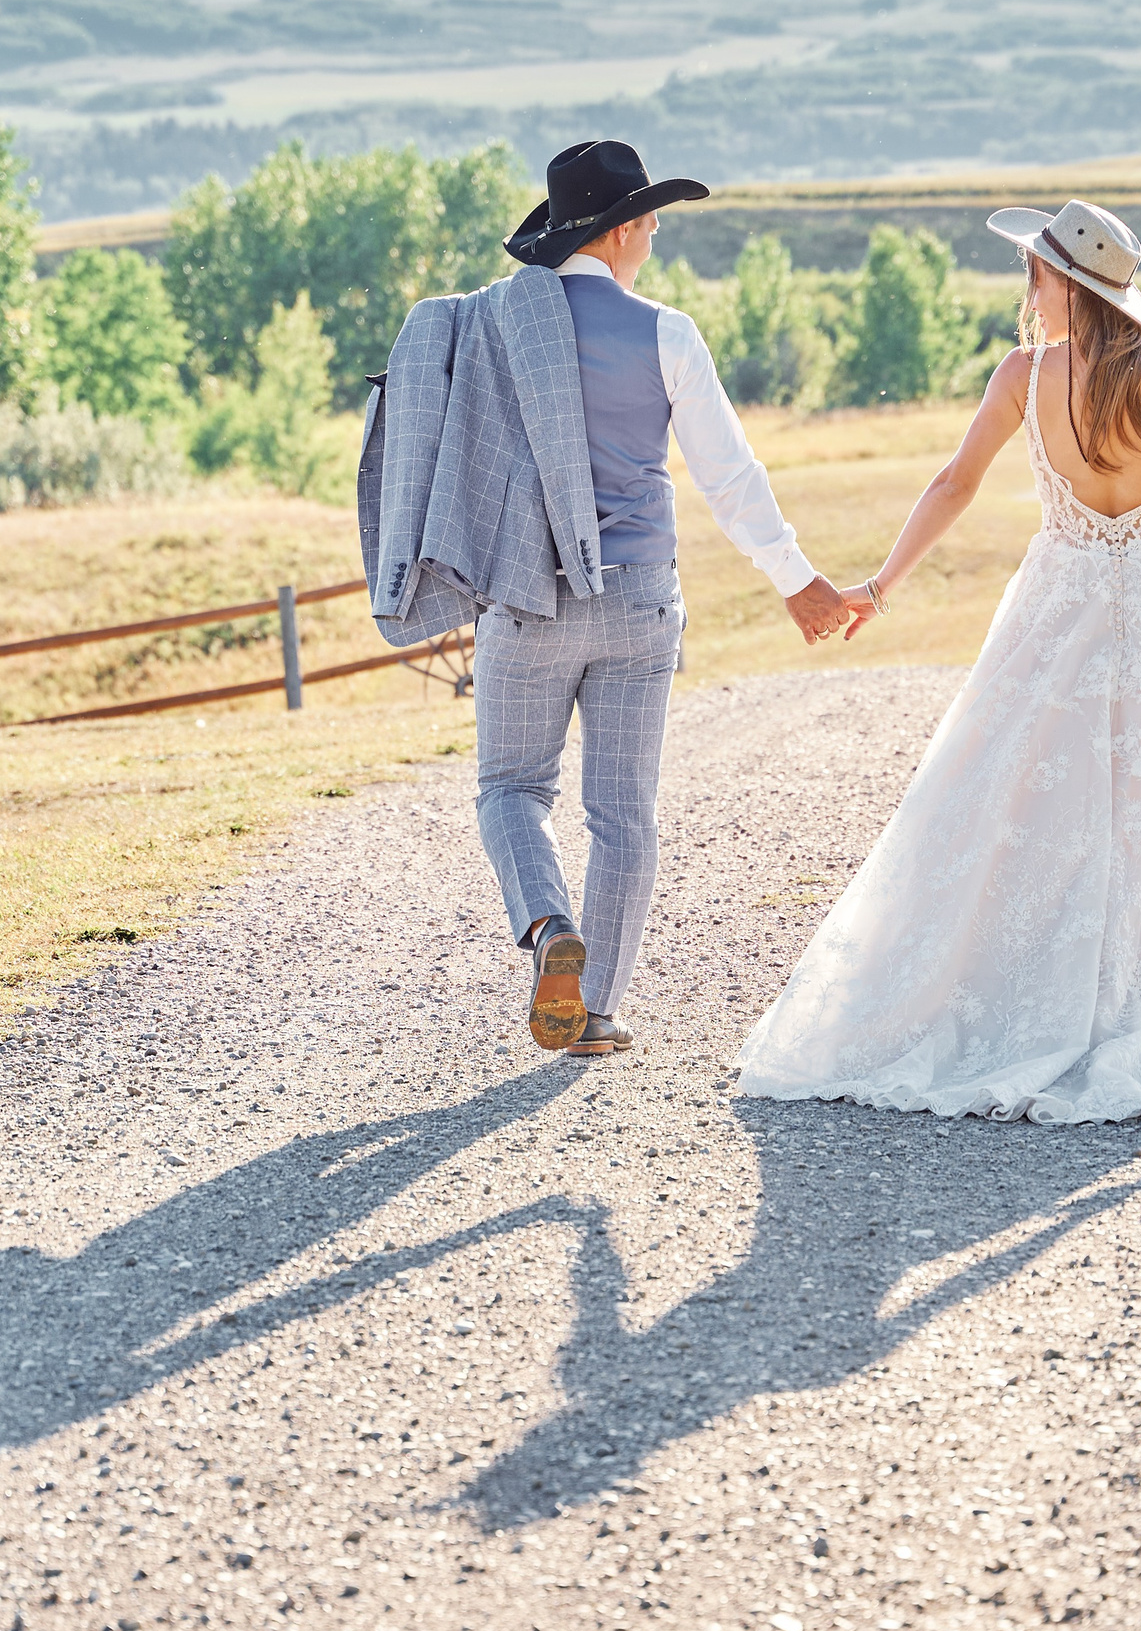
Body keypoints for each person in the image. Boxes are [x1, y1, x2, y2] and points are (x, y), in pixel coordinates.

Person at [735, 200, 1141, 1124]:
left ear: (1063, 283)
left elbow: (954, 483)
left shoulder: (1026, 376)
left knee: (1020, 790)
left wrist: (882, 584)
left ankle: (1025, 985)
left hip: (1057, 603)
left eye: (1035, 272)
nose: (1029, 290)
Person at [361, 140, 852, 1058]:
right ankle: (594, 1010)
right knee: (622, 814)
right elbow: (728, 477)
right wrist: (798, 581)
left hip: (525, 595)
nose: (657, 236)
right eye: (653, 222)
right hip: (639, 600)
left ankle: (550, 932)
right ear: (623, 230)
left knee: (512, 789)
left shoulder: (489, 326)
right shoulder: (667, 332)